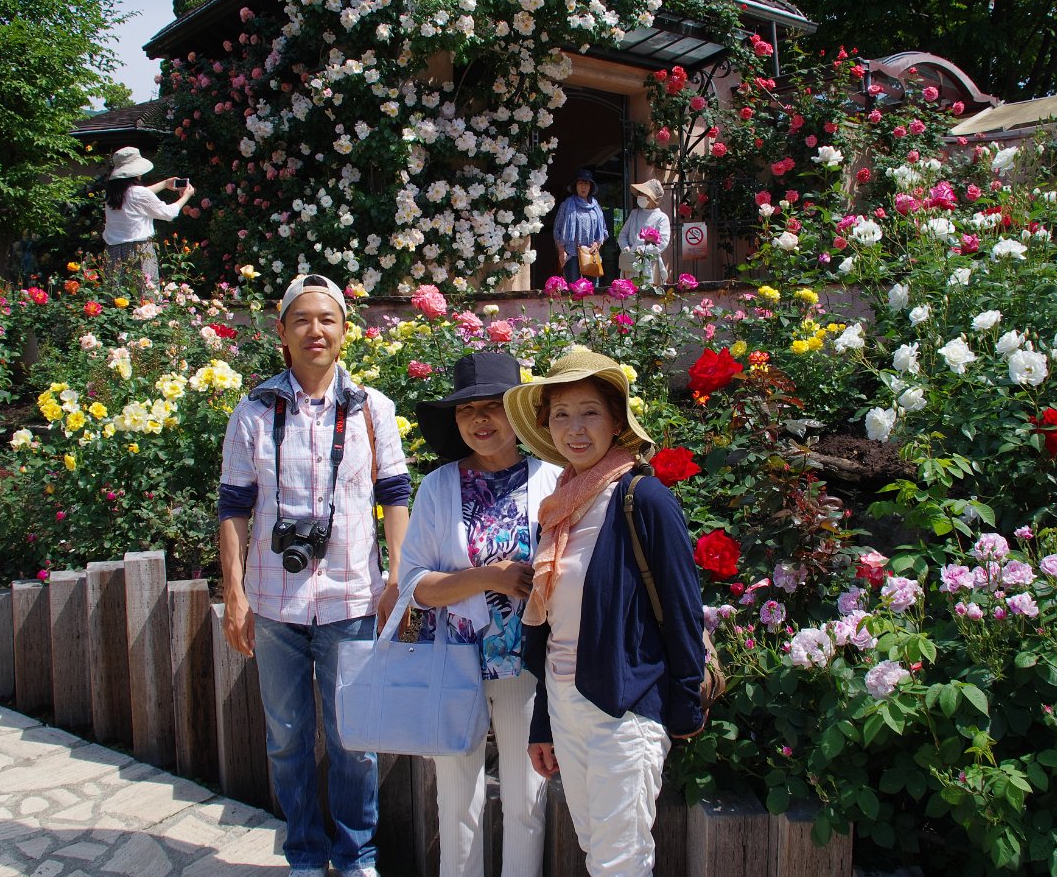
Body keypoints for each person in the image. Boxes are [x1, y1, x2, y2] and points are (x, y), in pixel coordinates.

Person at [217, 273, 411, 877]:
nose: (315, 330)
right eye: (302, 319)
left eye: (327, 319)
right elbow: (233, 506)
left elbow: (394, 495)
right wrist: (234, 593)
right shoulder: (253, 410)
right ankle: (303, 853)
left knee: (356, 739)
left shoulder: (373, 409)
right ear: (282, 332)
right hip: (274, 602)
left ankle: (357, 857)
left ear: (345, 331)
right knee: (286, 738)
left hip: (352, 598)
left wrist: (397, 578)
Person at [503, 349, 705, 877]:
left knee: (620, 861)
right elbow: (550, 627)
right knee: (596, 849)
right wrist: (544, 722)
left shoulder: (644, 498)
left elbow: (683, 609)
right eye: (561, 414)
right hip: (566, 702)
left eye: (589, 412)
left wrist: (685, 706)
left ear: (617, 421)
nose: (575, 428)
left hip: (624, 704)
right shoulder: (559, 509)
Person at [401, 351, 561, 877]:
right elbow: (414, 587)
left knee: (526, 796)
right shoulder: (438, 487)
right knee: (456, 798)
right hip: (454, 661)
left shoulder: (553, 480)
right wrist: (488, 578)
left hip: (526, 665)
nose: (480, 420)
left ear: (518, 413)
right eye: (467, 410)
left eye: (493, 406)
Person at [103, 146, 193, 290]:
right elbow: (168, 213)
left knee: (117, 296)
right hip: (138, 251)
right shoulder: (138, 193)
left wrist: (164, 184)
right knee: (145, 296)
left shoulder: (111, 194)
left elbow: (136, 195)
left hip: (113, 253)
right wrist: (186, 196)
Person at [553, 169, 607, 285]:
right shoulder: (566, 205)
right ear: (575, 186)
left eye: (586, 183)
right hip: (572, 253)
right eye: (580, 183)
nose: (583, 187)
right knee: (574, 289)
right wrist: (561, 251)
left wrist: (597, 244)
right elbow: (557, 229)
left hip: (590, 253)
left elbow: (603, 231)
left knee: (591, 290)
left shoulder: (596, 207)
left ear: (591, 187)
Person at [617, 178, 671, 286]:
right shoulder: (634, 214)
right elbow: (622, 235)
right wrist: (625, 247)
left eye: (644, 194)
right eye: (640, 193)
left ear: (652, 197)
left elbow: (663, 242)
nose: (640, 196)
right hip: (631, 261)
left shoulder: (661, 217)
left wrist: (644, 250)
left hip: (650, 263)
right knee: (631, 291)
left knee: (650, 291)